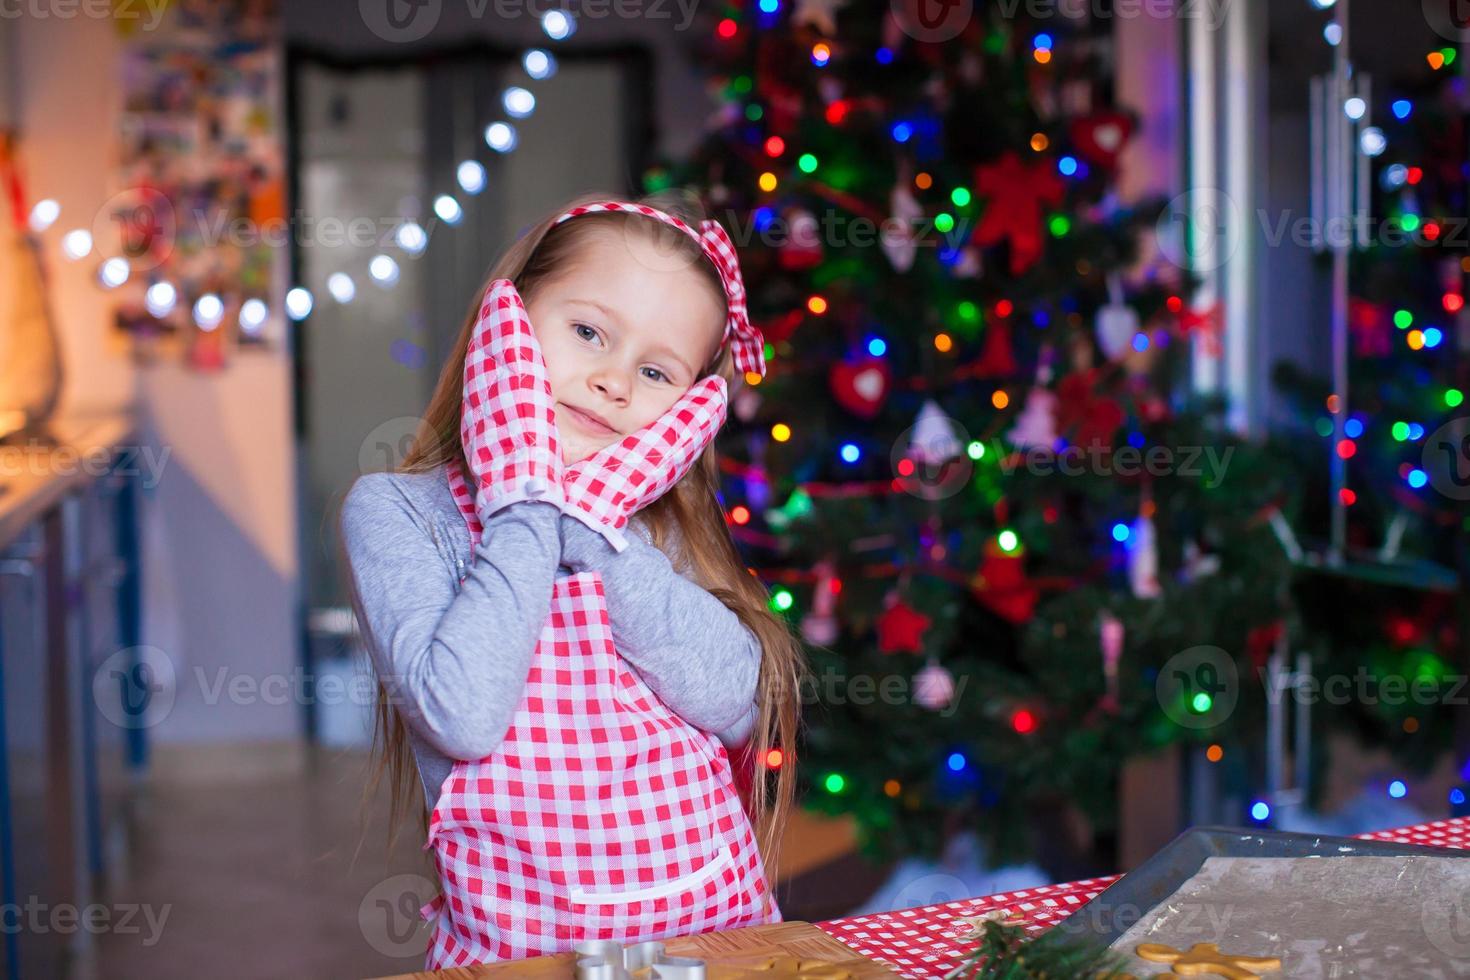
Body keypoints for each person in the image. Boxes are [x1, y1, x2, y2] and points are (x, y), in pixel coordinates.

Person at [340, 189, 809, 968]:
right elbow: (462, 714)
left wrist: (599, 532)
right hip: (519, 958)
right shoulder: (398, 513)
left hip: (710, 939)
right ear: (506, 327)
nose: (613, 382)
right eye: (589, 331)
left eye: (656, 371)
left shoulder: (657, 521)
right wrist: (528, 504)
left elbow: (734, 702)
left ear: (691, 409)